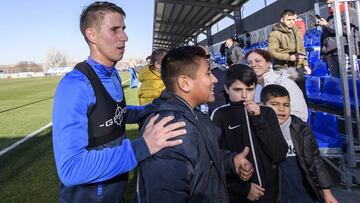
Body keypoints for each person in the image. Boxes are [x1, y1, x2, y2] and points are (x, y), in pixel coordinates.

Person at [52, 2, 186, 202]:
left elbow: (116, 113)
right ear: (92, 35)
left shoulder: (113, 74)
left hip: (117, 194)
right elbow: (71, 168)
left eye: (123, 29)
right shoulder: (74, 86)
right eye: (114, 30)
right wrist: (142, 146)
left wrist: (154, 107)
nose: (124, 37)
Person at [137, 46, 254, 202]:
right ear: (185, 83)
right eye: (208, 73)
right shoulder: (171, 130)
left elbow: (205, 157)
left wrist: (231, 162)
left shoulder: (196, 114)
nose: (215, 79)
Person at [211, 65, 288, 203]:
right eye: (237, 90)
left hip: (270, 193)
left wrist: (258, 120)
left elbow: (279, 154)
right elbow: (214, 160)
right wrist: (244, 189)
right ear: (227, 89)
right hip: (237, 195)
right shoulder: (220, 115)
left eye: (250, 89)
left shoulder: (267, 113)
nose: (244, 95)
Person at [260, 84, 338, 203]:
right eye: (274, 104)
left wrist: (326, 192)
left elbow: (315, 161)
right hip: (273, 195)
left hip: (303, 195)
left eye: (286, 105)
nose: (281, 109)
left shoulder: (300, 128)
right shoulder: (258, 128)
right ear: (262, 105)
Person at [246, 49, 308, 122]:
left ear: (268, 63)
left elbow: (300, 114)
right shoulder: (252, 86)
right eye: (249, 63)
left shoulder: (284, 82)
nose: (253, 65)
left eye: (257, 61)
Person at [268, 9, 311, 98]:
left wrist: (305, 64)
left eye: (293, 20)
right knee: (287, 95)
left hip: (298, 66)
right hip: (283, 67)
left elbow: (301, 48)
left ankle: (303, 111)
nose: (291, 22)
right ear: (282, 20)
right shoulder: (275, 34)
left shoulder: (297, 30)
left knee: (302, 95)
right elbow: (272, 52)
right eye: (288, 20)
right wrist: (289, 57)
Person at [318, 0, 358, 78]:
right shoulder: (331, 17)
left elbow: (345, 30)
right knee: (337, 82)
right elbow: (324, 36)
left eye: (331, 3)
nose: (329, 6)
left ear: (341, 2)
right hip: (331, 53)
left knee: (349, 81)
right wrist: (323, 53)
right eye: (327, 4)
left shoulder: (350, 12)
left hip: (345, 52)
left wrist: (326, 25)